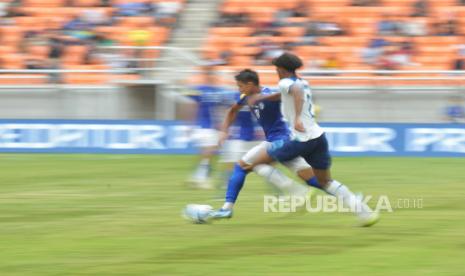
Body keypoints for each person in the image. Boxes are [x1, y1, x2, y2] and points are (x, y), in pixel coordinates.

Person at [227, 53, 380, 227]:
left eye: (277, 68)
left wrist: (297, 118)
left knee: (251, 164)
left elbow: (294, 92)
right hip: (318, 137)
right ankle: (364, 212)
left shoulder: (285, 82)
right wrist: (263, 98)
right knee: (325, 182)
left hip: (299, 140)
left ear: (282, 70)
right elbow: (287, 94)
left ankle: (297, 193)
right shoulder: (303, 82)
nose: (276, 71)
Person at [209, 69, 317, 218]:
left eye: (241, 86)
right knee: (310, 178)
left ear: (250, 84)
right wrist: (224, 130)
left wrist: (296, 88)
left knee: (241, 166)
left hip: (281, 140)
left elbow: (282, 96)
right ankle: (301, 192)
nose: (239, 90)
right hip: (280, 141)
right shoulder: (246, 97)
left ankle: (227, 208)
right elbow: (232, 111)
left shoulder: (267, 95)